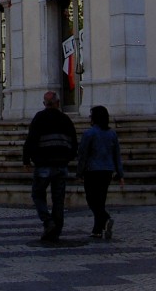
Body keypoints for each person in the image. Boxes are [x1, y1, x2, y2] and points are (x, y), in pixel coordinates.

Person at [22, 90, 78, 243]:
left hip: (44, 164)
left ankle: (48, 222)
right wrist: (68, 158)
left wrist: (26, 160)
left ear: (44, 104)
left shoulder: (40, 118)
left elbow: (31, 140)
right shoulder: (65, 119)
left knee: (38, 194)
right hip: (61, 164)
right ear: (58, 103)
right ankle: (56, 230)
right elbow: (74, 143)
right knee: (58, 199)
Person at [77, 104, 124, 239]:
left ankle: (105, 218)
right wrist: (120, 173)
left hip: (92, 170)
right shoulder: (112, 133)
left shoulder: (89, 133)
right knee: (100, 200)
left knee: (91, 199)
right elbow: (117, 155)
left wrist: (79, 172)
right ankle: (97, 229)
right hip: (107, 170)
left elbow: (83, 154)